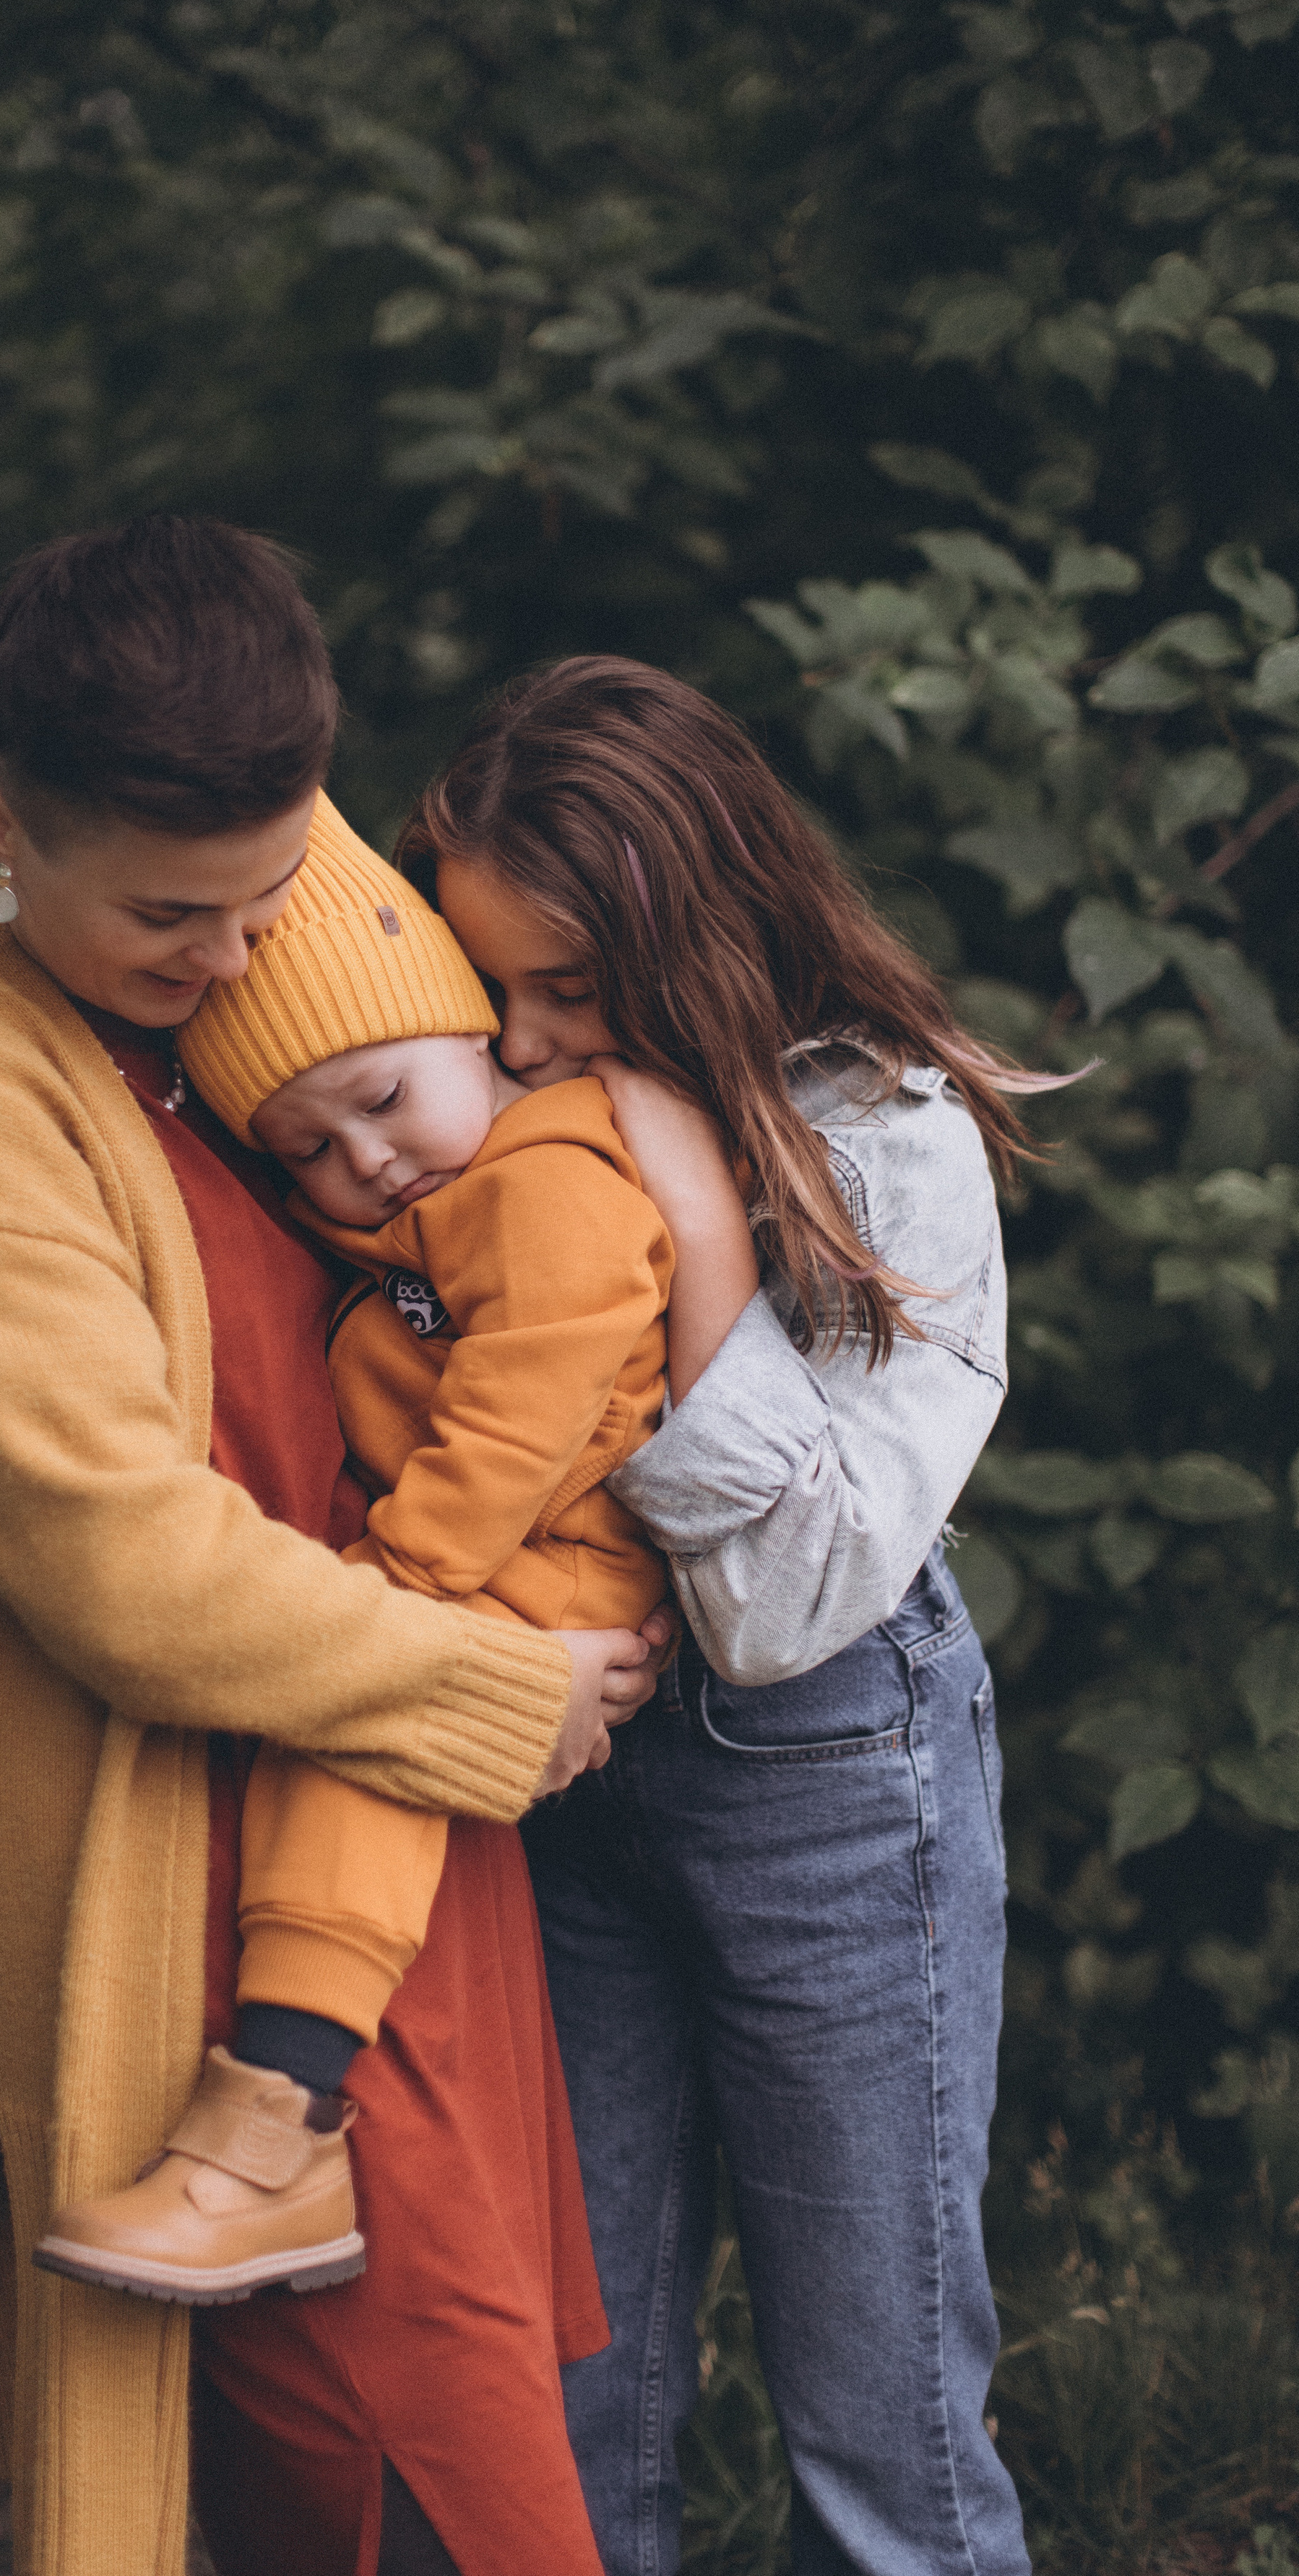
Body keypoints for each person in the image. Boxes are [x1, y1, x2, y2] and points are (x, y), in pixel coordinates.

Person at [0, 523, 661, 2576]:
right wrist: (491, 1683)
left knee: (427, 2434)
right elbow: (118, 1562)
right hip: (195, 1863)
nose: (240, 962)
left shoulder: (271, 892)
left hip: (366, 1796)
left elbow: (559, 1093)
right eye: (174, 921)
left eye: (278, 893)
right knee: (373, 2450)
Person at [402, 652, 1049, 2576]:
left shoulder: (893, 1148)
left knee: (878, 2417)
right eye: (490, 987)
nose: (521, 1045)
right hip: (570, 1777)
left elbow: (786, 1605)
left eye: (570, 994)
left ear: (706, 938)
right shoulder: (510, 1128)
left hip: (834, 1791)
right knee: (570, 2388)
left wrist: (691, 1237)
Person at [35, 798, 673, 2306]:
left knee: (361, 1754)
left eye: (385, 1098)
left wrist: (405, 1595)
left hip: (541, 1555)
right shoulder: (412, 1233)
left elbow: (529, 1398)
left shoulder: (550, 1176)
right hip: (477, 1558)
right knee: (342, 1756)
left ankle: (273, 2127)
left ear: (479, 1042)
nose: (366, 1161)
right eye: (308, 1149)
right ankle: (275, 2124)